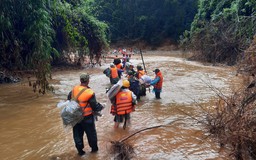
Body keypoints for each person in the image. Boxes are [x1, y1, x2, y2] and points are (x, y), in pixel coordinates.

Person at [67, 73, 103, 156]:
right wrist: (101, 106)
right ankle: (94, 151)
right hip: (87, 118)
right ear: (88, 81)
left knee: (77, 134)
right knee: (91, 134)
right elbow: (95, 107)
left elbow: (69, 99)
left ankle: (80, 152)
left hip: (75, 116)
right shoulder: (90, 92)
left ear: (80, 80)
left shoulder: (74, 89)